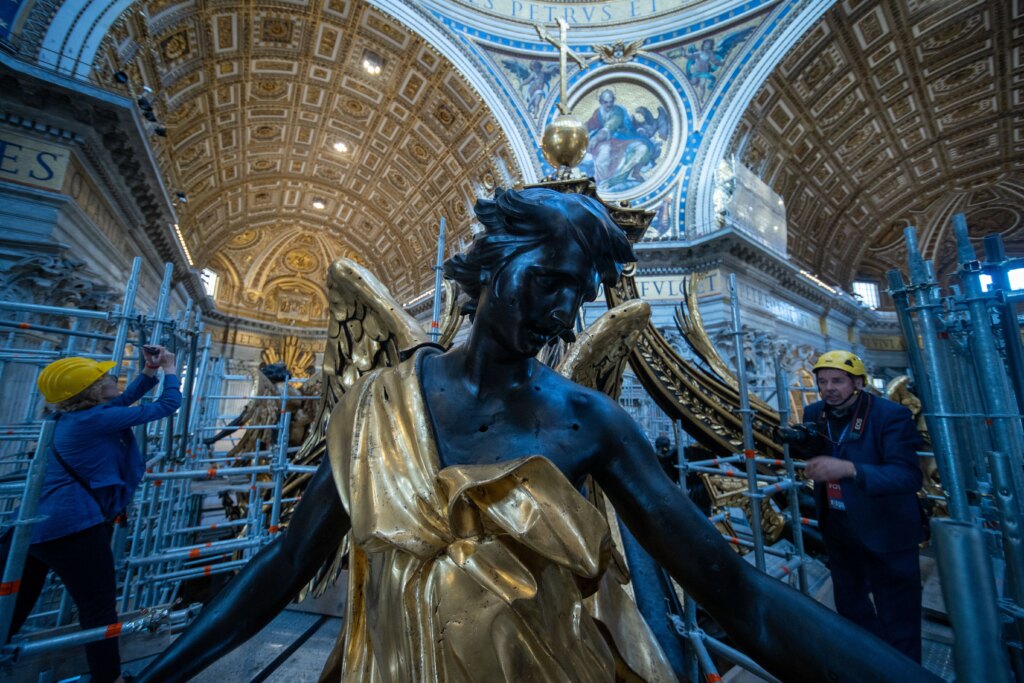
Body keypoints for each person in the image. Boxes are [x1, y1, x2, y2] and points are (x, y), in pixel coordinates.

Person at [136, 189, 937, 682]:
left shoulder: (588, 421)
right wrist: (161, 671)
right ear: (489, 269)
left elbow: (739, 594)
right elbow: (284, 562)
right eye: (547, 281)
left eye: (578, 295)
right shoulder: (378, 403)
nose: (561, 312)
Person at [8, 347, 181, 683]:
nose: (110, 378)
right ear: (91, 390)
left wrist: (149, 372)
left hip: (34, 525)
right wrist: (171, 369)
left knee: (17, 604)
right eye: (103, 377)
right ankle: (109, 679)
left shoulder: (70, 416)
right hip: (72, 526)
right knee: (98, 607)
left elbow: (125, 399)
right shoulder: (96, 420)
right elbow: (168, 406)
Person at [798, 350, 925, 662]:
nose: (829, 388)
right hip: (839, 527)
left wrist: (850, 470)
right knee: (852, 609)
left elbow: (908, 476)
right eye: (823, 381)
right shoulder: (816, 413)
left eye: (838, 381)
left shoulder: (889, 416)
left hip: (887, 530)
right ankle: (870, 666)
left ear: (857, 382)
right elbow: (814, 450)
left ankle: (904, 672)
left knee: (899, 619)